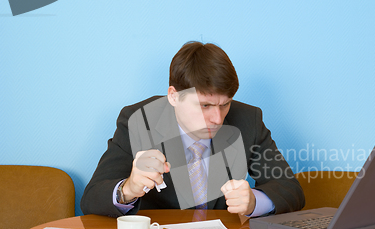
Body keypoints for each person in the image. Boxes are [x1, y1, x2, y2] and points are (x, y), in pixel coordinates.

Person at [81, 41, 304, 218]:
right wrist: (128, 189)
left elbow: (290, 189)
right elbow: (91, 198)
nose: (217, 118)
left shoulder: (248, 120)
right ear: (173, 96)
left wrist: (255, 201)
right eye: (204, 105)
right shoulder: (138, 120)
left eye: (225, 104)